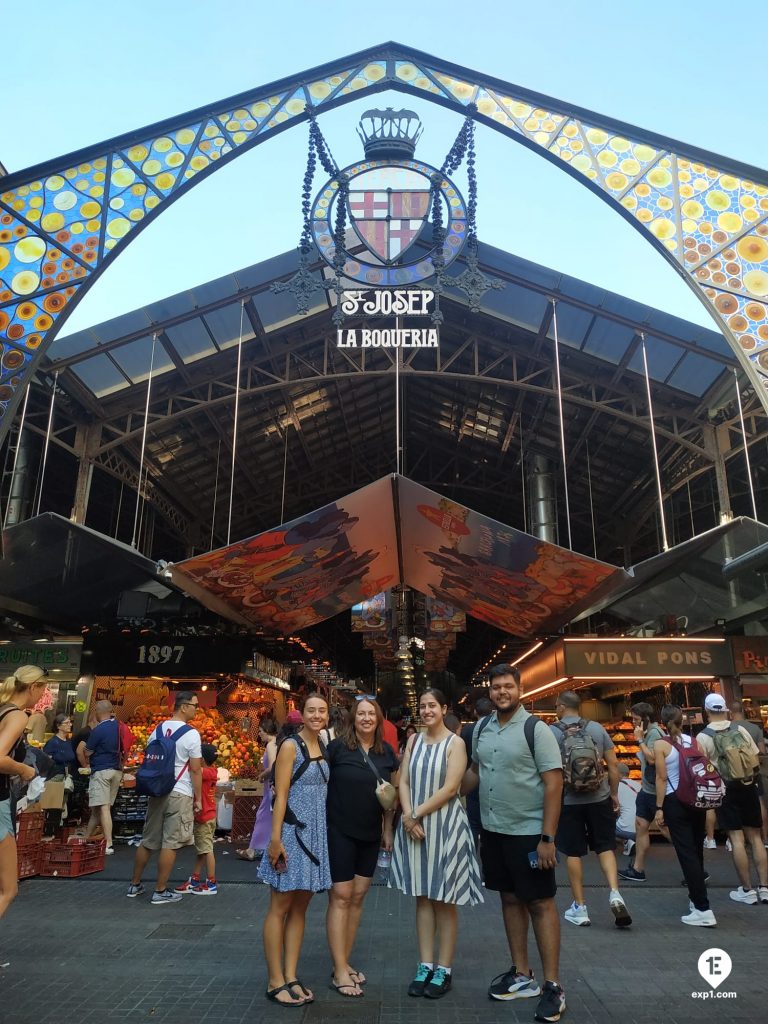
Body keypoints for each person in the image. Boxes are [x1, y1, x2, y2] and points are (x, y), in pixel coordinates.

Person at [463, 664, 565, 1021]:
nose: (502, 692)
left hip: (530, 833)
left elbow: (554, 783)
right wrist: (446, 793)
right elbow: (475, 771)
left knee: (540, 902)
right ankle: (522, 974)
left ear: (519, 689)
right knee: (508, 898)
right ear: (489, 691)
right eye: (496, 687)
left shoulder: (536, 729)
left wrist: (548, 838)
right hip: (494, 831)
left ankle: (553, 986)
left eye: (508, 686)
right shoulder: (482, 729)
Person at [390, 688, 483, 1001]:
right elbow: (403, 781)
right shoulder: (414, 741)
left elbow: (451, 788)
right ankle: (425, 965)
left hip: (444, 827)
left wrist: (413, 814)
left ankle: (444, 969)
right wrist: (408, 816)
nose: (427, 710)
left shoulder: (456, 743)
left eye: (432, 706)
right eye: (423, 706)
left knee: (445, 898)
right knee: (422, 897)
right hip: (414, 826)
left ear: (444, 709)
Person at [260, 693, 331, 1007]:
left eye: (322, 711)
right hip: (291, 834)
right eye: (311, 710)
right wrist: (276, 840)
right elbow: (281, 794)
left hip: (315, 837)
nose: (317, 715)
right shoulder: (290, 746)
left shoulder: (323, 744)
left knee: (301, 908)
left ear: (328, 715)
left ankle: (290, 975)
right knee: (280, 907)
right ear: (301, 714)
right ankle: (275, 980)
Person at [326, 697, 398, 997]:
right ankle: (340, 971)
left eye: (372, 714)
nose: (366, 718)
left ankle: (344, 962)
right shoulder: (337, 749)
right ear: (353, 719)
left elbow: (391, 796)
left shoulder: (387, 753)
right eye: (361, 714)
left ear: (379, 719)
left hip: (370, 834)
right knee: (341, 896)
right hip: (339, 830)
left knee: (357, 897)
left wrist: (388, 828)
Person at [551, 691, 632, 928]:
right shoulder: (596, 729)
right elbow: (613, 766)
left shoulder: (552, 732)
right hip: (600, 797)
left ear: (562, 707)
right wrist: (614, 794)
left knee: (573, 853)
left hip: (568, 801)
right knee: (605, 847)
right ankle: (615, 893)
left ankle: (580, 907)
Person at [126, 691, 203, 904]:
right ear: (184, 707)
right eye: (195, 706)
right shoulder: (191, 734)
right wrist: (198, 798)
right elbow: (196, 769)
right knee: (171, 842)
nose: (197, 710)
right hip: (180, 792)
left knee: (148, 839)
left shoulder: (158, 730)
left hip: (157, 789)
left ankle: (134, 884)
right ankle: (160, 890)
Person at [697, 693, 767, 905]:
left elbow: (703, 769)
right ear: (725, 709)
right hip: (748, 785)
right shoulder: (740, 730)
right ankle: (765, 888)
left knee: (737, 839)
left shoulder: (703, 737)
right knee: (756, 838)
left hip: (725, 789)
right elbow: (755, 756)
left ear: (707, 711)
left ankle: (747, 890)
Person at [652, 705, 715, 927]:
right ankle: (696, 899)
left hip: (674, 801)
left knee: (686, 853)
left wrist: (659, 807)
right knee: (696, 851)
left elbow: (661, 778)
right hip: (696, 800)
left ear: (663, 722)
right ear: (682, 720)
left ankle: (702, 908)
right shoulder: (695, 742)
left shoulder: (661, 745)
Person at [0, 667, 47, 925]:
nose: (43, 696)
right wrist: (24, 769)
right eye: (43, 689)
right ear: (33, 687)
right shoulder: (17, 715)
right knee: (8, 890)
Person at [619, 702, 669, 882]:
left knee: (665, 828)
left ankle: (693, 864)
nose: (633, 722)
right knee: (641, 825)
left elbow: (653, 759)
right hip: (647, 789)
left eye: (636, 719)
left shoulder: (654, 733)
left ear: (646, 719)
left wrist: (640, 740)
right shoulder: (649, 732)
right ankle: (637, 869)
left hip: (655, 791)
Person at [175, 743, 218, 895]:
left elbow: (193, 769)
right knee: (202, 849)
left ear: (202, 759)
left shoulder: (204, 772)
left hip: (204, 817)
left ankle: (211, 883)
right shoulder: (213, 771)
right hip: (209, 815)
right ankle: (195, 878)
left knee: (207, 850)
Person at [237, 716, 279, 862]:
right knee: (268, 818)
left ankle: (253, 849)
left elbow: (272, 766)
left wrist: (262, 775)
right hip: (271, 786)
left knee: (262, 816)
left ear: (267, 730)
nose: (259, 734)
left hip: (270, 786)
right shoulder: (278, 743)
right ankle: (260, 848)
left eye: (260, 731)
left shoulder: (271, 745)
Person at [83, 700, 122, 854]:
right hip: (116, 771)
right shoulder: (119, 726)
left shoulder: (98, 730)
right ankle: (86, 839)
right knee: (97, 809)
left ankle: (108, 844)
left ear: (98, 712)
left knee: (103, 807)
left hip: (101, 771)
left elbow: (87, 751)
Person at [730, 700, 767, 843]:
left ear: (730, 713)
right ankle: (764, 837)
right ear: (743, 711)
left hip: (735, 772)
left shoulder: (728, 728)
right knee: (759, 801)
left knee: (736, 804)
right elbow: (762, 751)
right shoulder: (755, 728)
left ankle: (741, 838)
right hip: (753, 771)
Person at [460, 696, 492, 847]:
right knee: (489, 824)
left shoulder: (467, 729)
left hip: (471, 778)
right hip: (491, 781)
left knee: (473, 823)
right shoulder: (495, 728)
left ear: (475, 712)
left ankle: (471, 853)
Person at [615, 763, 640, 857]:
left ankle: (626, 841)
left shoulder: (615, 787)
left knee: (605, 823)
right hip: (641, 829)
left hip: (625, 830)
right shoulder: (639, 785)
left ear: (617, 774)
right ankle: (629, 841)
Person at [43, 714, 77, 779]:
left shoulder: (69, 741)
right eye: (67, 723)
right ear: (58, 726)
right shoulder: (52, 743)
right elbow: (45, 763)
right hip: (54, 778)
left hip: (67, 777)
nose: (70, 725)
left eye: (70, 722)